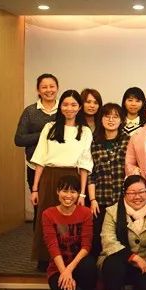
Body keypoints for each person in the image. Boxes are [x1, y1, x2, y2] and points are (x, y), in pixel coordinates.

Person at [30, 90, 93, 265]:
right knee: (47, 217)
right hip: (49, 178)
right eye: (65, 104)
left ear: (79, 107)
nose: (69, 108)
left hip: (72, 178)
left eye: (73, 105)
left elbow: (85, 164)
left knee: (69, 219)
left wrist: (82, 193)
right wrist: (35, 188)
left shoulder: (85, 131)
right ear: (60, 106)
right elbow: (40, 159)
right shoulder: (49, 127)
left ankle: (68, 258)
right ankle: (45, 258)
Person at [41, 175, 98, 290]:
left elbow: (86, 245)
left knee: (89, 265)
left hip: (78, 263)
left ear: (78, 194)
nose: (68, 195)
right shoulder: (48, 214)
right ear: (57, 192)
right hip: (58, 266)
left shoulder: (85, 213)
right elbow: (52, 246)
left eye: (73, 192)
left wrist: (69, 270)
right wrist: (64, 272)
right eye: (65, 191)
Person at [87, 103, 130, 258]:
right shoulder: (93, 142)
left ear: (122, 120)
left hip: (122, 198)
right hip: (100, 198)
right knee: (97, 238)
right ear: (101, 119)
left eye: (115, 116)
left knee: (121, 237)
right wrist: (92, 200)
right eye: (107, 116)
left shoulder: (128, 140)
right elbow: (91, 173)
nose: (111, 120)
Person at [14, 73, 58, 216]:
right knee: (40, 210)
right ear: (38, 90)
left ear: (57, 88)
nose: (48, 90)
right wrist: (44, 134)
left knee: (60, 208)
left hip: (60, 167)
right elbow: (19, 139)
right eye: (44, 87)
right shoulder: (30, 111)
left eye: (52, 86)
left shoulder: (65, 109)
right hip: (35, 166)